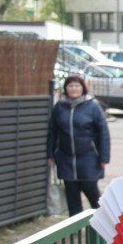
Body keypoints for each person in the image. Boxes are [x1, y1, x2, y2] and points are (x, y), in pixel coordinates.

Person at [47, 74, 110, 215]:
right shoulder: (60, 107)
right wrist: (50, 153)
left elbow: (103, 132)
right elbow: (52, 131)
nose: (73, 89)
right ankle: (75, 225)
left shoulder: (92, 106)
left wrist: (103, 157)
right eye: (70, 86)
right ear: (65, 89)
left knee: (91, 191)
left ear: (82, 88)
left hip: (88, 157)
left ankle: (103, 222)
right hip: (66, 158)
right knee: (72, 194)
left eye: (76, 86)